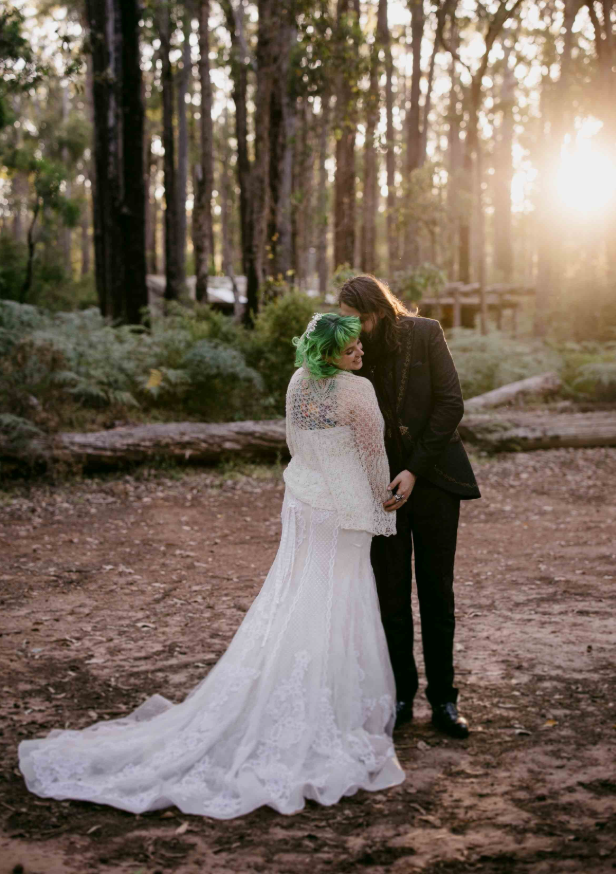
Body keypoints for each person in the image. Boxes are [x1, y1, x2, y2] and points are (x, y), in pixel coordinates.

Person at [19, 312, 405, 819]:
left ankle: (296, 693)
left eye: (359, 345)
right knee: (336, 602)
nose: (360, 352)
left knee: (297, 598)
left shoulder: (298, 382)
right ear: (329, 351)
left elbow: (296, 445)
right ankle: (326, 709)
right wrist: (383, 499)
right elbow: (373, 454)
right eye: (350, 346)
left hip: (304, 502)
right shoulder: (356, 391)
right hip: (343, 510)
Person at [339, 274, 481, 739]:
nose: (353, 331)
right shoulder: (352, 351)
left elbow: (450, 404)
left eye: (358, 320)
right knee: (391, 597)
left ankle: (444, 700)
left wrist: (414, 470)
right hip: (380, 491)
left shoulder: (426, 333)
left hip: (436, 481)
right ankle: (401, 695)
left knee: (437, 594)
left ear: (378, 311)